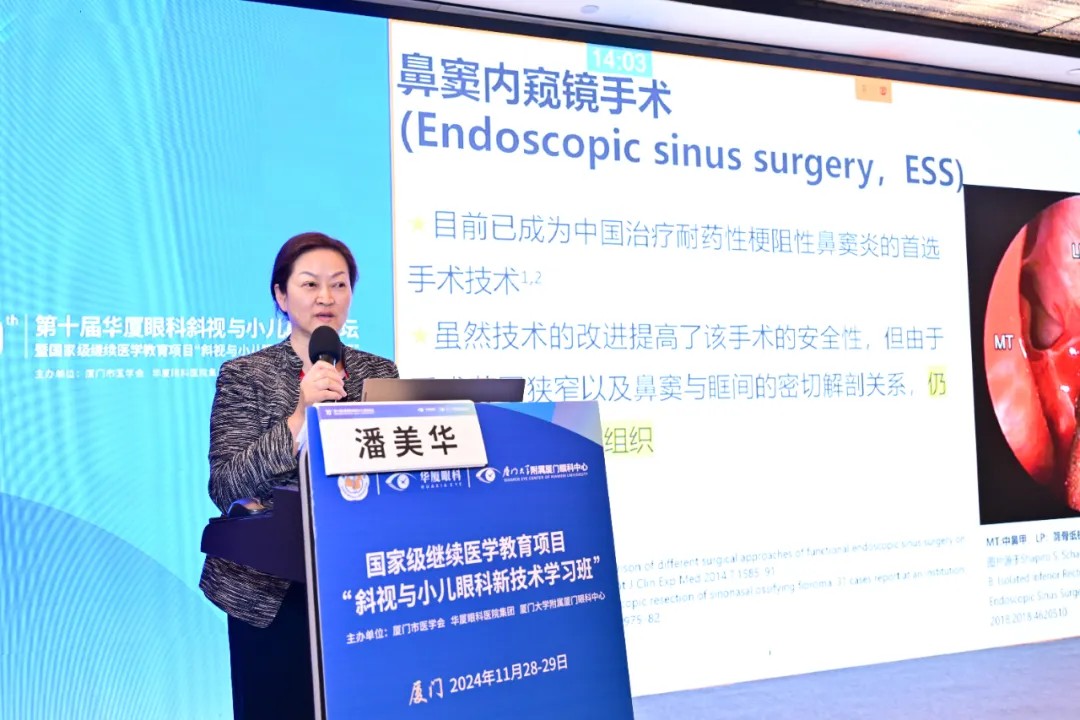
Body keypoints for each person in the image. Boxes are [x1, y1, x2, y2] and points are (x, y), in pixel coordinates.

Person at [199, 232, 399, 719]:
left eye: (339, 284)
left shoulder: (380, 372)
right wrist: (299, 416)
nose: (327, 297)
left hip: (359, 580)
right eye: (310, 284)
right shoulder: (245, 374)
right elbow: (226, 485)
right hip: (271, 587)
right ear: (281, 295)